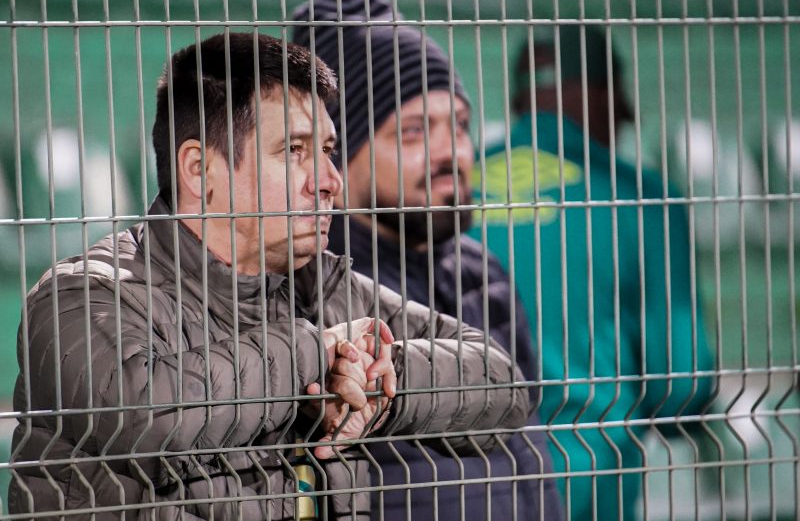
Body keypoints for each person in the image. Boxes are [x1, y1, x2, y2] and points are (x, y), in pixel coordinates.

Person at [8, 32, 532, 520]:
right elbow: (149, 419)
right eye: (294, 151)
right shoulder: (80, 295)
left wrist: (375, 378)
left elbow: (501, 382)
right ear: (199, 169)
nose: (329, 181)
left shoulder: (318, 284)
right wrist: (317, 355)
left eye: (327, 151)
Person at [292, 0, 563, 520]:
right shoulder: (308, 285)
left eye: (458, 125)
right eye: (414, 132)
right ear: (339, 157)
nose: (451, 153)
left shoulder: (483, 273)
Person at [472, 26, 714, 519]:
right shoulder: (639, 197)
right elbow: (681, 385)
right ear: (602, 95)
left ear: (519, 101)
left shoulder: (443, 196)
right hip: (588, 475)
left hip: (457, 475)